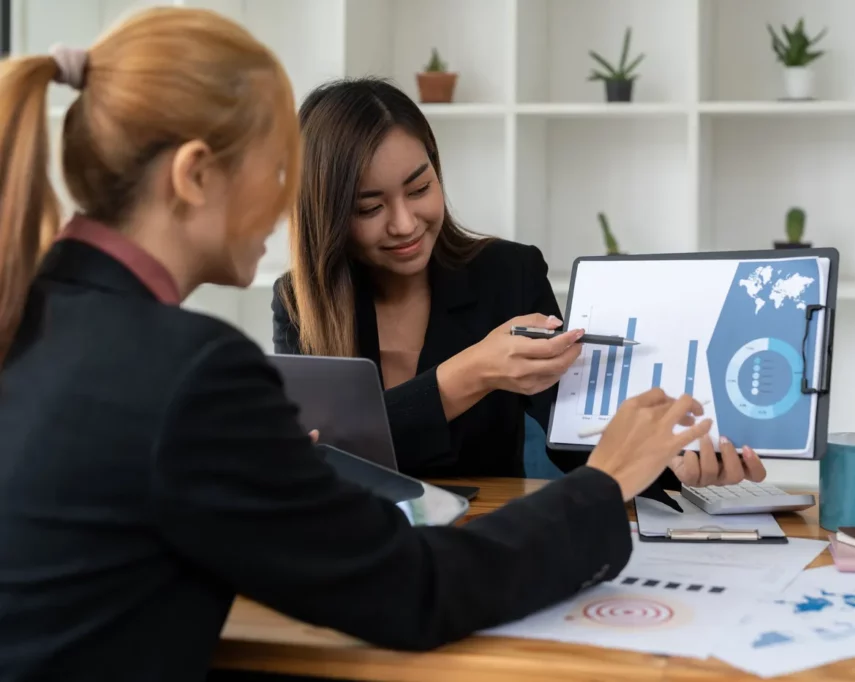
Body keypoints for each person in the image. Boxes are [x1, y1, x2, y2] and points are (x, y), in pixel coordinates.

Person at [0, 8, 726, 681]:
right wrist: (602, 486)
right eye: (277, 170)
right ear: (194, 175)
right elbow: (413, 591)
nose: (285, 205)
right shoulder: (191, 371)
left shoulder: (30, 319)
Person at [272, 77, 768, 489]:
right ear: (327, 215)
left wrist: (673, 464)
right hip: (357, 545)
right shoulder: (299, 302)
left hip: (488, 540)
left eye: (420, 188)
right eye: (370, 207)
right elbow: (326, 459)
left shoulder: (508, 273)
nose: (404, 223)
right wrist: (471, 372)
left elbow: (577, 443)